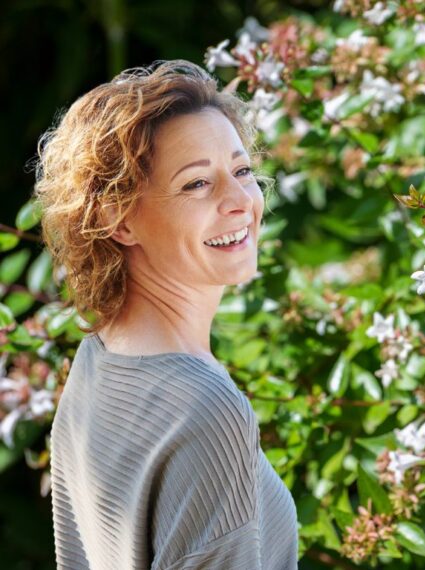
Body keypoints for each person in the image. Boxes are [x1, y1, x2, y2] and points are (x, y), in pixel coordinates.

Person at [32, 59, 298, 569]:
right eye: (197, 184)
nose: (241, 200)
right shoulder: (206, 408)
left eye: (242, 171)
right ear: (119, 218)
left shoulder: (99, 359)